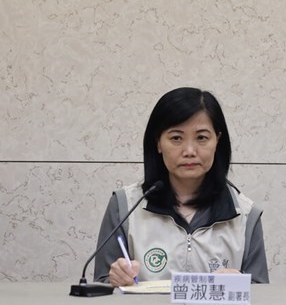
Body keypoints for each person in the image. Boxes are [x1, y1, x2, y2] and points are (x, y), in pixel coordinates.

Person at [93, 87, 269, 286]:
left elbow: (260, 291)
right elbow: (101, 286)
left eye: (202, 137)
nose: (189, 151)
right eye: (176, 138)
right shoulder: (125, 205)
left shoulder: (245, 214)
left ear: (217, 141)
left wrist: (240, 285)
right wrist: (114, 279)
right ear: (158, 143)